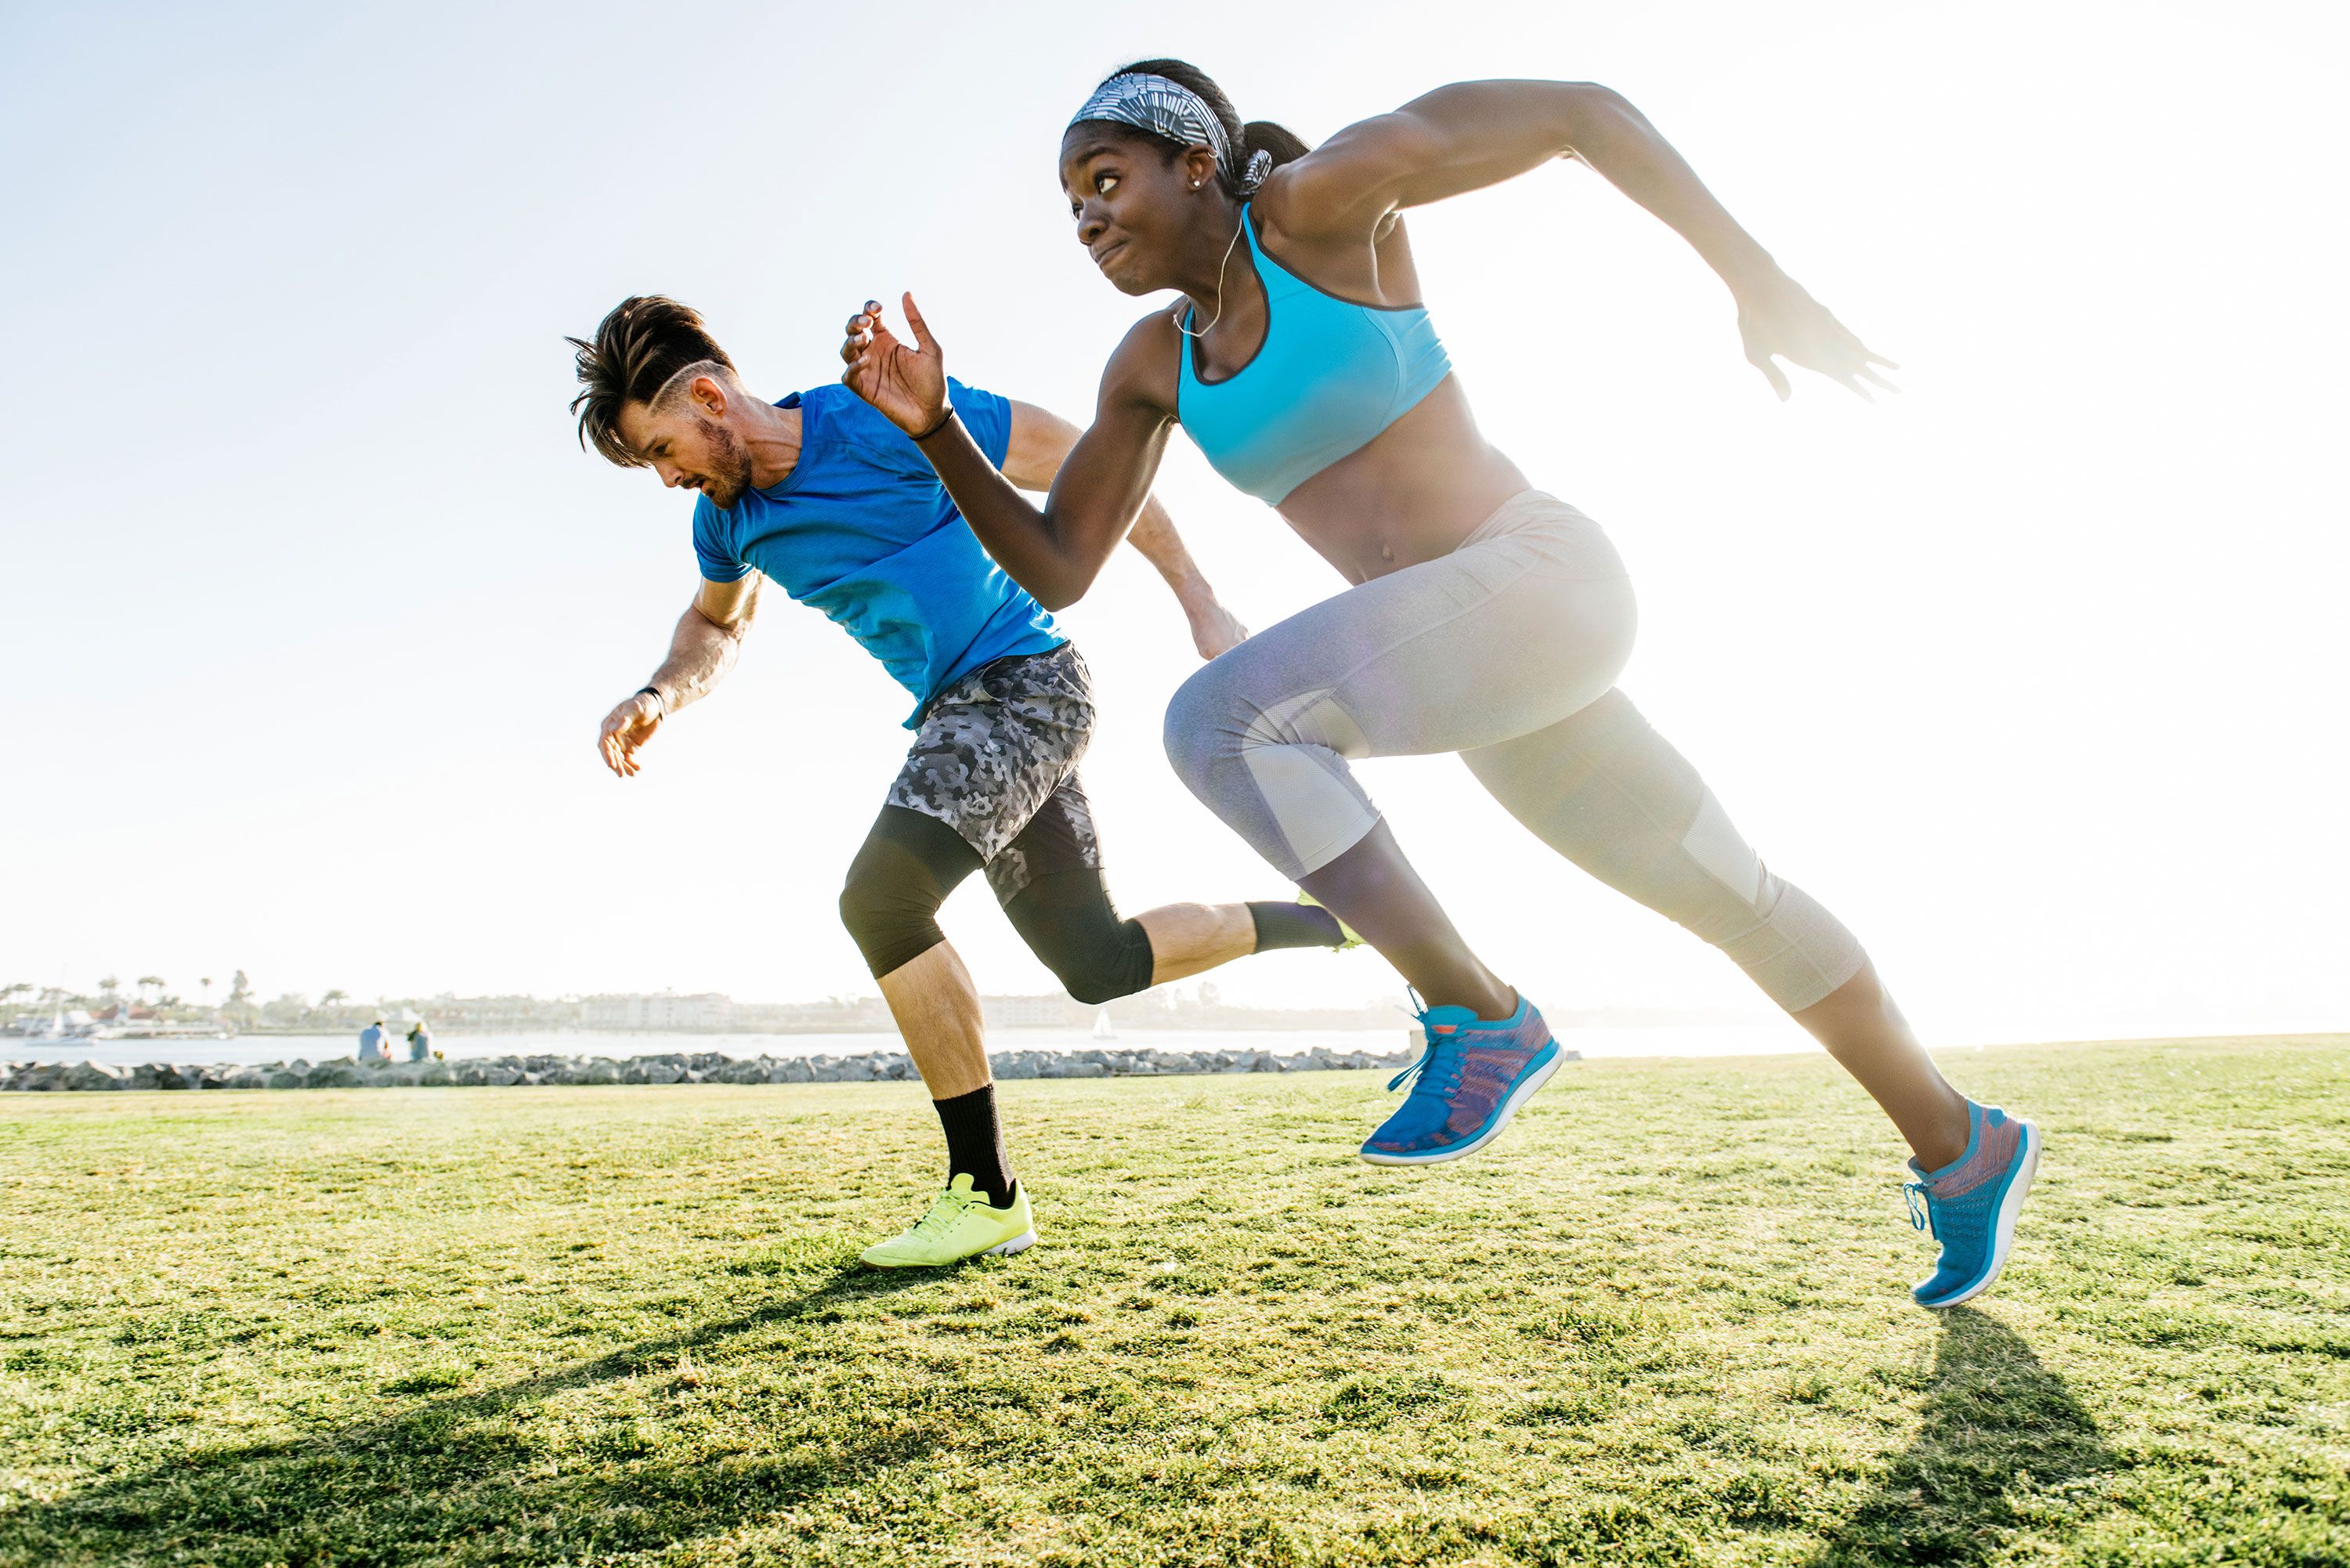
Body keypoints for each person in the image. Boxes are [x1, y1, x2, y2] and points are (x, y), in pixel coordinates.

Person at [837, 62, 2039, 1308]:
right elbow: (1061, 565)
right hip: (1489, 675)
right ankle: (1961, 1146)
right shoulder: (1155, 363)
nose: (1086, 219)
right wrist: (936, 430)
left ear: (1197, 161)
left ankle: (1479, 1016)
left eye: (1105, 180)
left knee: (1220, 722)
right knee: (1734, 893)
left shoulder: (1317, 209)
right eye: (1070, 204)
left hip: (1539, 578)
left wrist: (1756, 279)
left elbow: (1584, 114)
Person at [570, 296, 1355, 1269]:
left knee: (882, 900)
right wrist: (663, 693)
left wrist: (1200, 600)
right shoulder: (726, 525)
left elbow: (1092, 466)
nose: (667, 475)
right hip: (963, 713)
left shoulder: (871, 415)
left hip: (1025, 683)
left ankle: (986, 1192)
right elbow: (717, 626)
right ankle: (1331, 917)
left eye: (659, 448)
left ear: (704, 396)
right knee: (1097, 964)